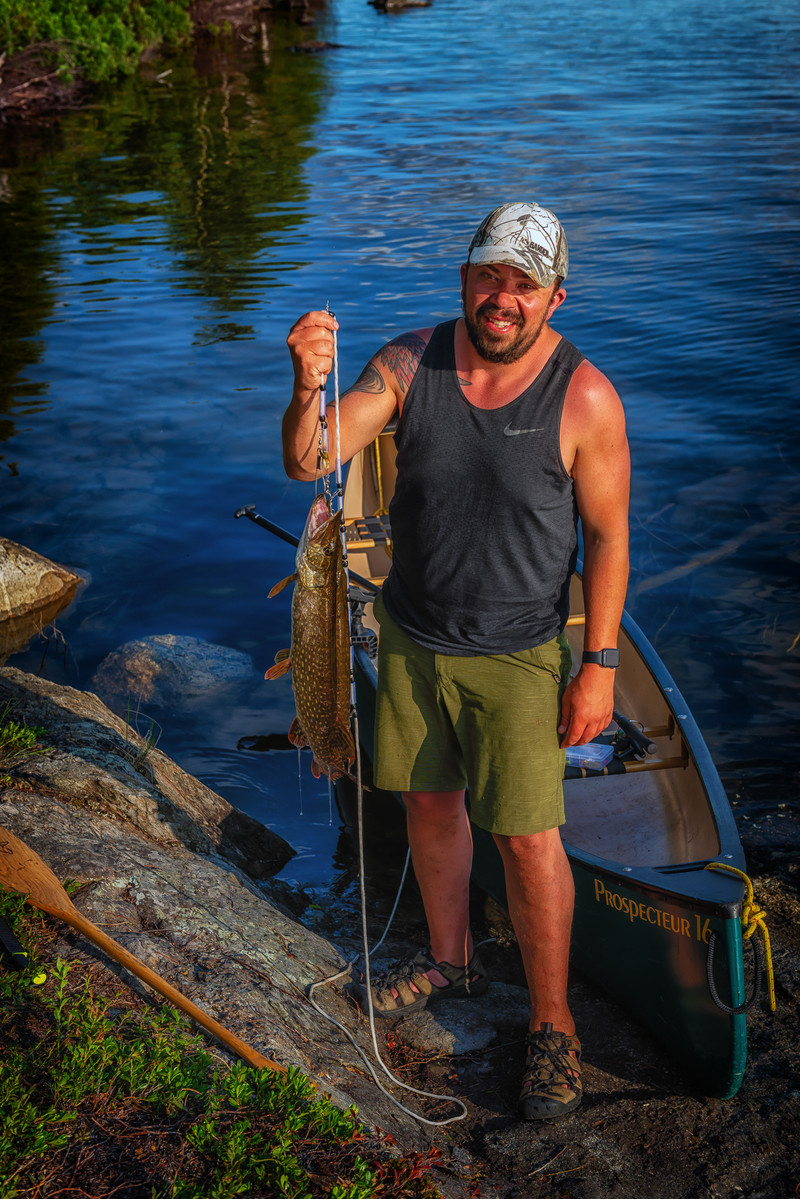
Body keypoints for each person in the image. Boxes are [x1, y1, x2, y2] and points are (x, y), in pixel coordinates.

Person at [282, 201, 630, 1122]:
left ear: (556, 295)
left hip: (519, 655)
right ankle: (451, 960)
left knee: (525, 838)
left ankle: (553, 1026)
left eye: (523, 283)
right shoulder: (409, 362)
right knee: (430, 805)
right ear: (464, 278)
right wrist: (305, 383)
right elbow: (309, 458)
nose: (502, 297)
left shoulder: (585, 397)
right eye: (489, 276)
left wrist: (597, 664)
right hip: (409, 635)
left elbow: (608, 538)